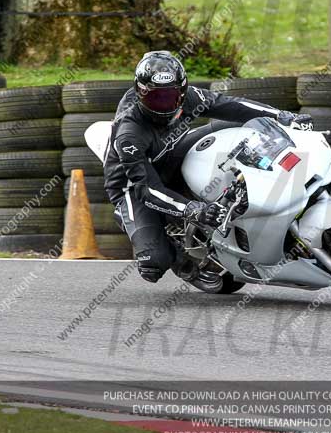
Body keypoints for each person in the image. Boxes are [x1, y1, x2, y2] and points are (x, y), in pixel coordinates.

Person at [103, 51, 312, 283]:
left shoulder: (190, 97)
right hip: (134, 187)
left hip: (172, 151)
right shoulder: (129, 134)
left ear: (182, 92)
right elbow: (146, 189)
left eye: (170, 97)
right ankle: (176, 257)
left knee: (230, 125)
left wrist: (282, 116)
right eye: (155, 98)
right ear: (140, 93)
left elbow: (231, 106)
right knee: (154, 262)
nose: (163, 105)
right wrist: (193, 209)